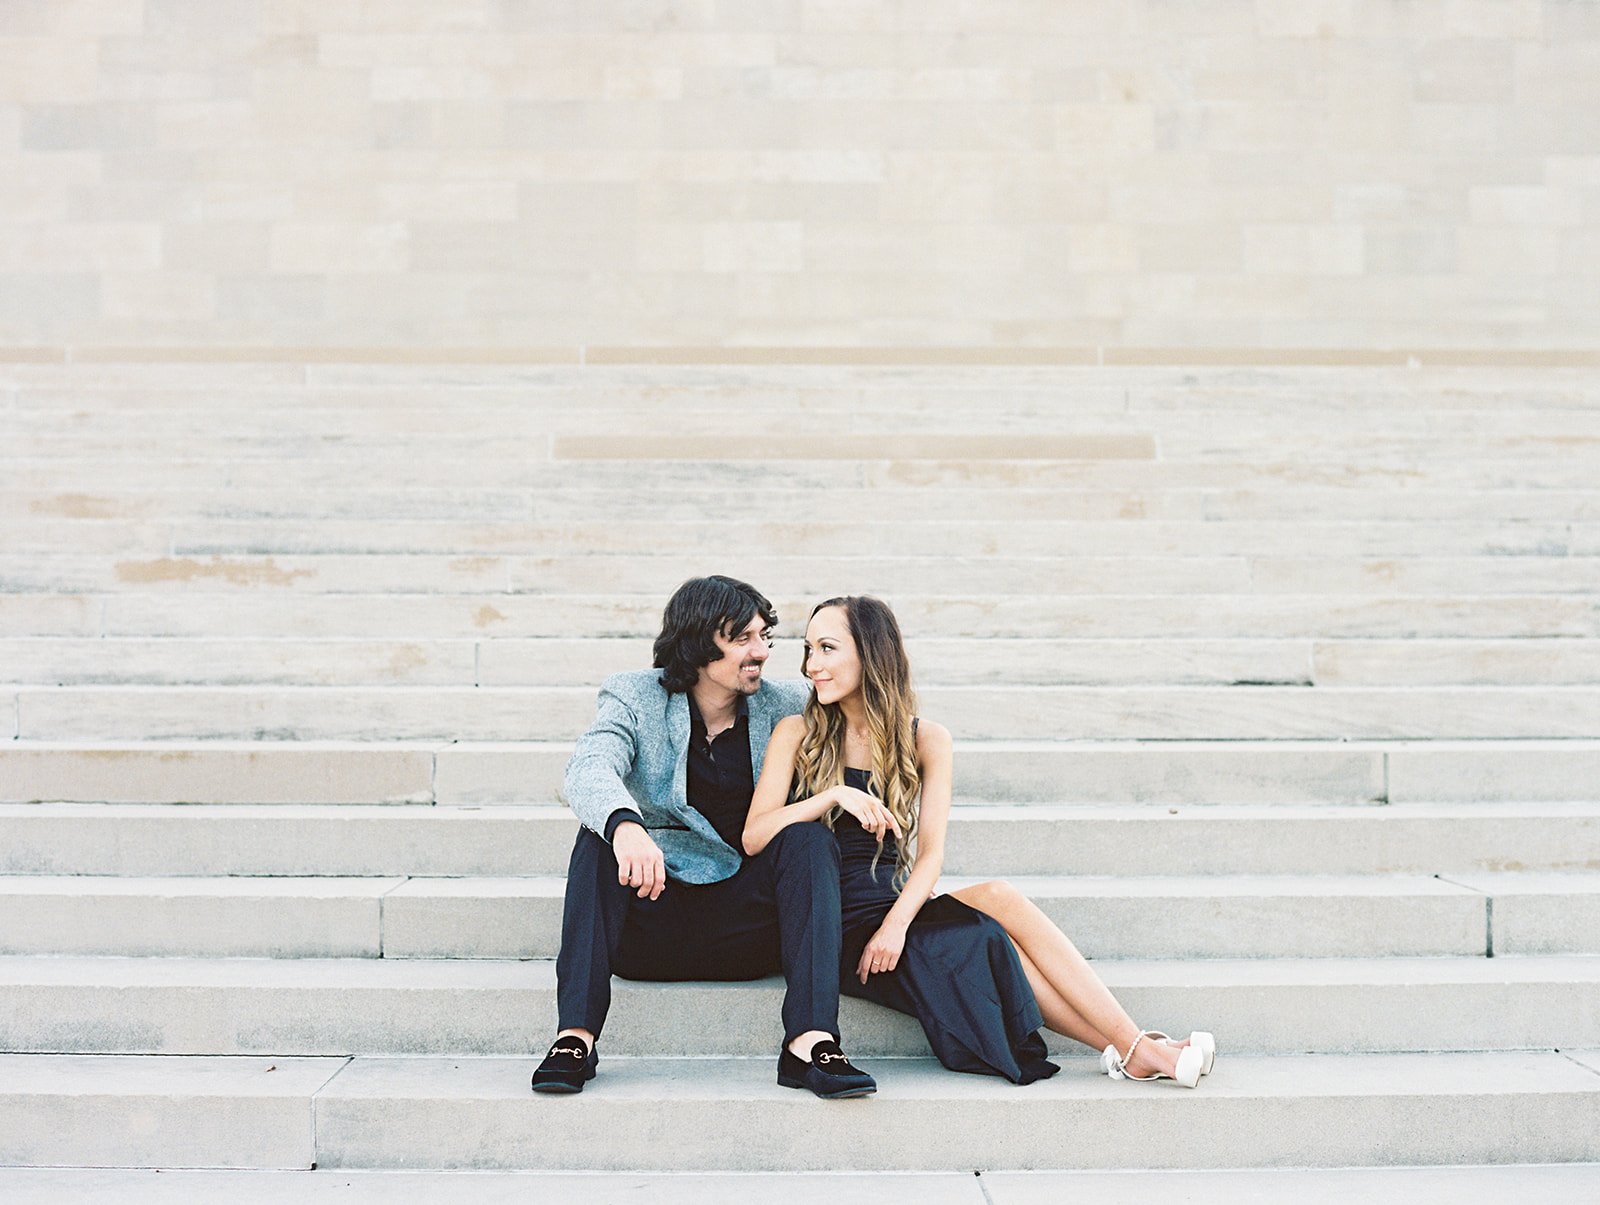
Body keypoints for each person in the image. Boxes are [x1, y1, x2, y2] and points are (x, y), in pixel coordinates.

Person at [743, 595, 1216, 1087]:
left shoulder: (927, 739)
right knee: (991, 922)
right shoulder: (797, 731)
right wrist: (832, 796)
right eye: (808, 649)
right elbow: (755, 837)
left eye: (826, 648)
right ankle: (1138, 1047)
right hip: (829, 925)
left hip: (890, 914)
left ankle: (1132, 1046)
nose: (811, 665)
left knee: (996, 908)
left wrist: (896, 925)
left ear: (870, 654)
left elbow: (931, 856)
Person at [531, 575, 876, 1099]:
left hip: (752, 929)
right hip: (652, 921)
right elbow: (589, 767)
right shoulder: (634, 696)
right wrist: (626, 827)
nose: (760, 652)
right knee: (596, 836)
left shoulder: (788, 707)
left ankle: (810, 1043)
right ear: (696, 644)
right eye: (743, 639)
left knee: (807, 841)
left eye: (765, 637)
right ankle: (573, 1038)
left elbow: (871, 727)